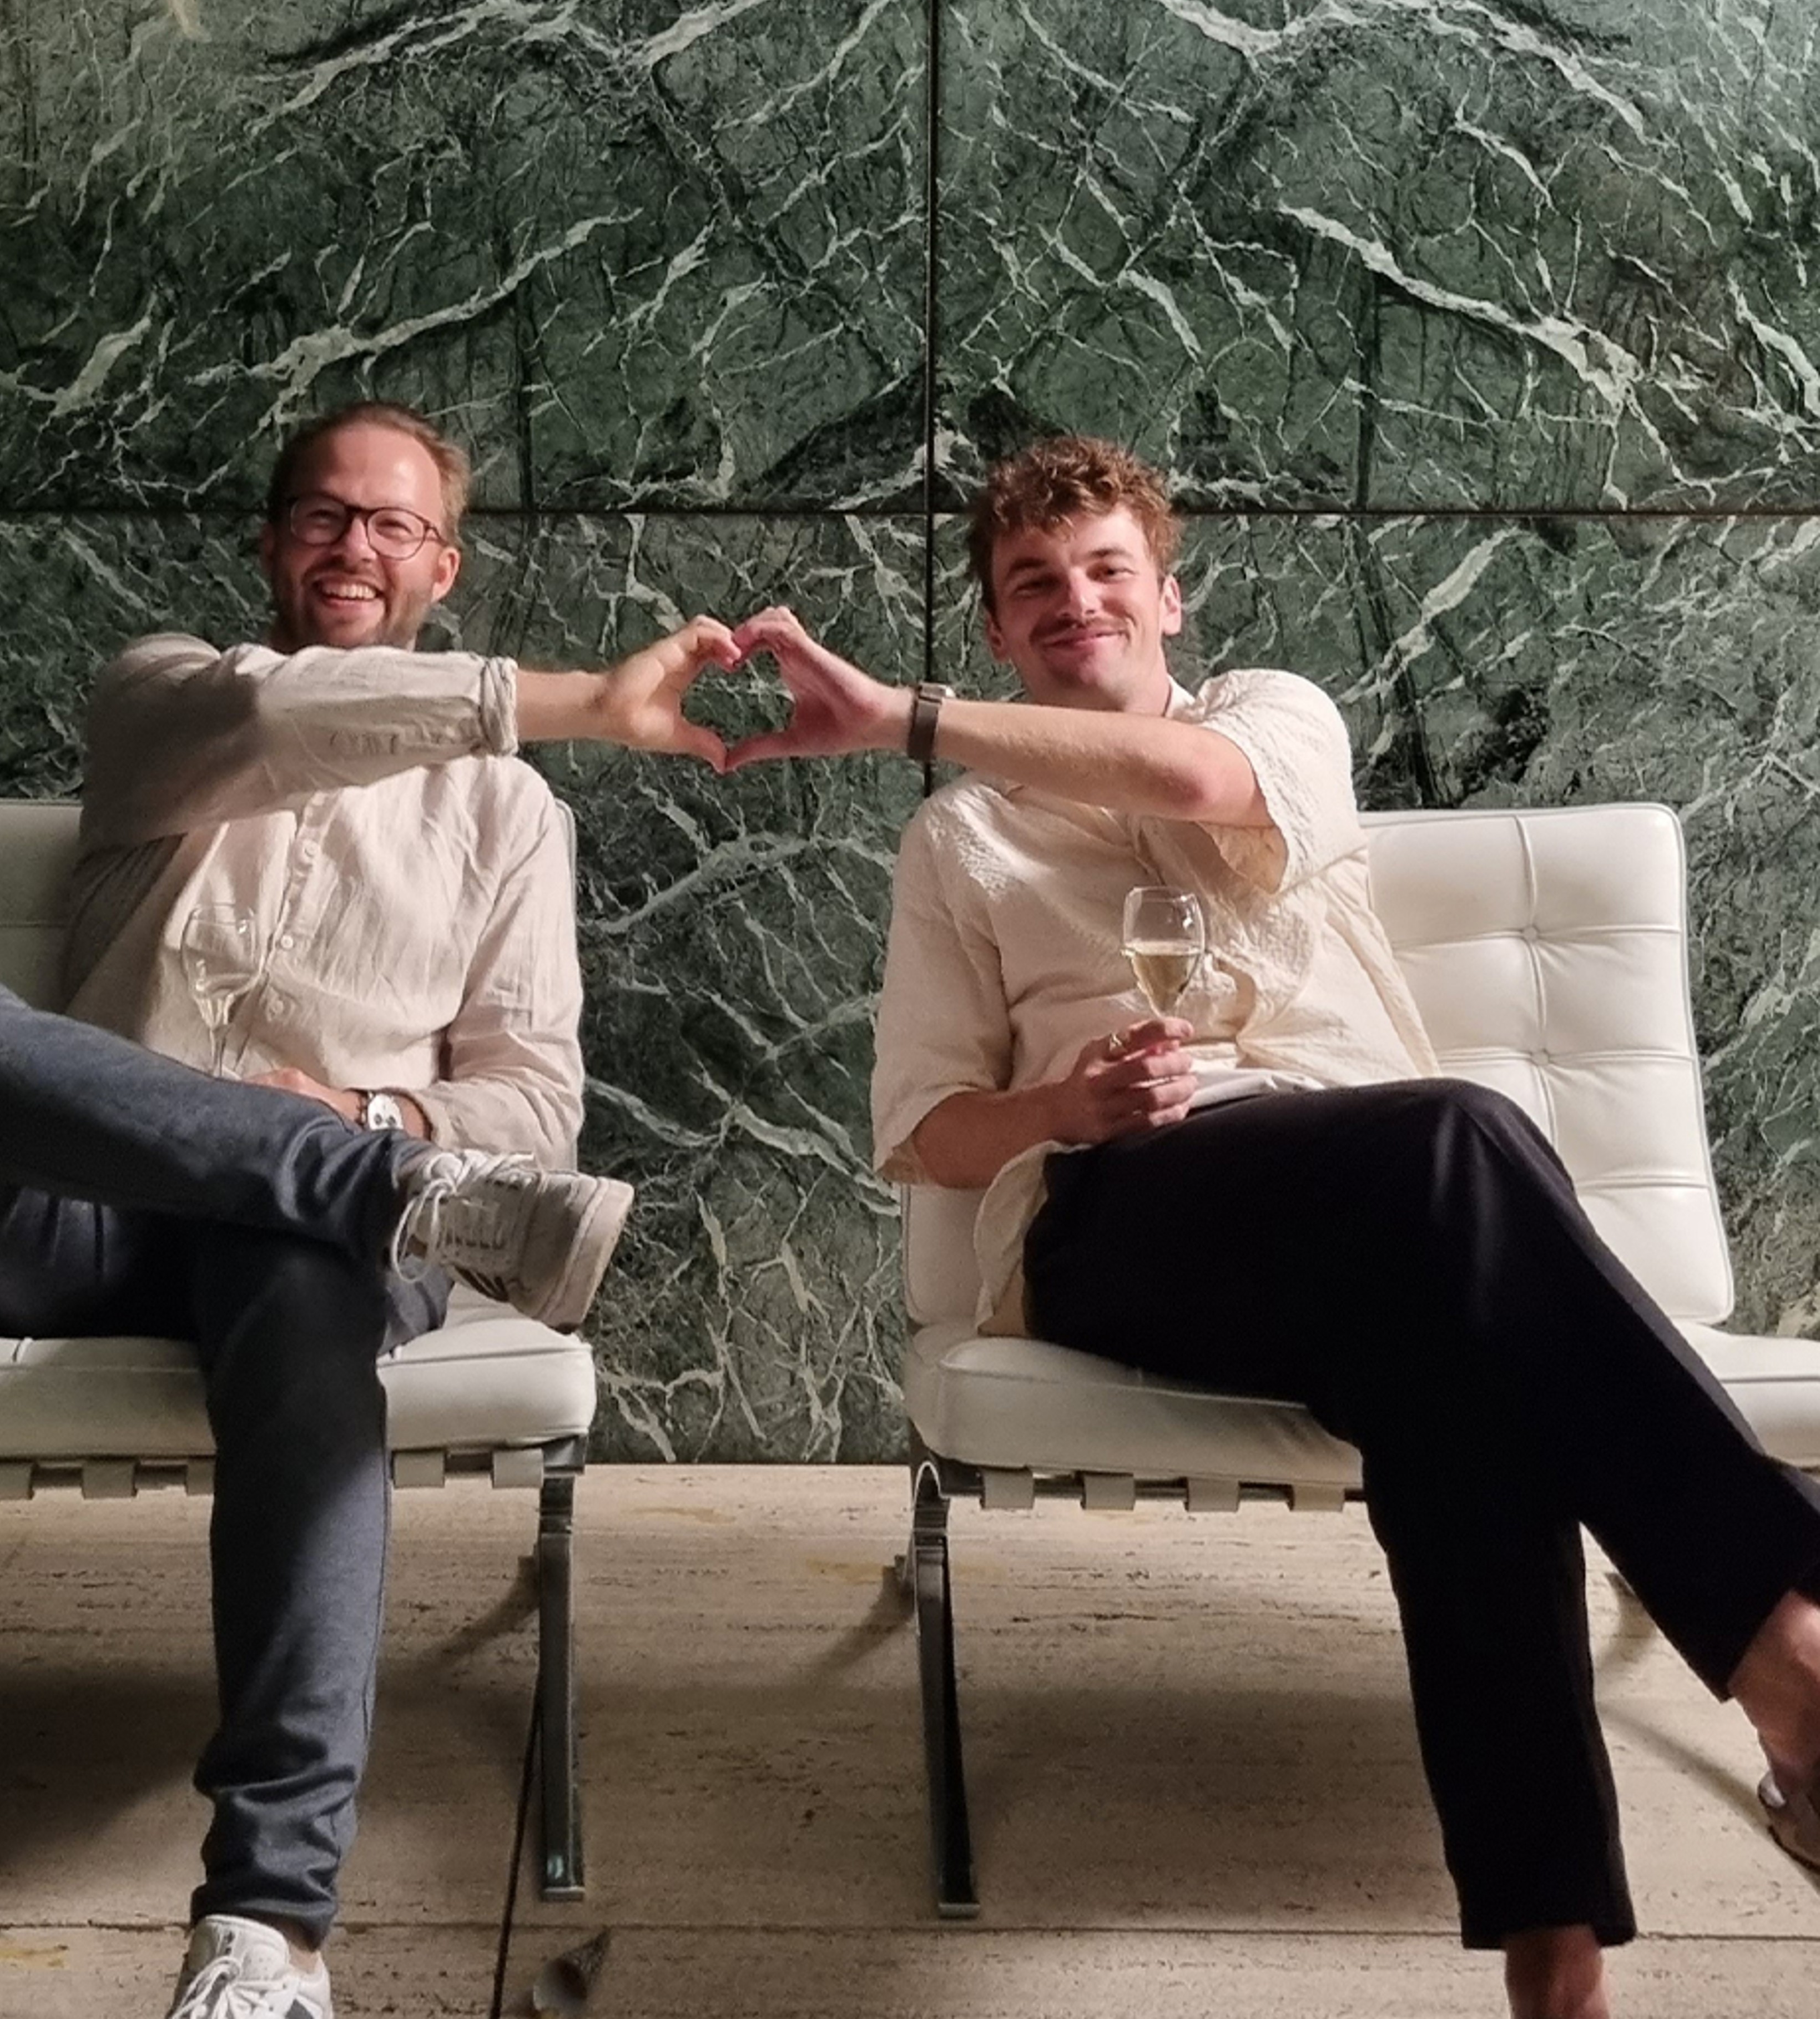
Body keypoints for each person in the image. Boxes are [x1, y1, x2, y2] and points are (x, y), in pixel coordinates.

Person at [723, 434, 1820, 2019]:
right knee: (1466, 1135)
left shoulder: (1274, 713)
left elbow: (1194, 785)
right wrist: (1065, 1109)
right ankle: (1788, 1658)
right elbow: (923, 1131)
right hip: (1118, 1217)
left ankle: (1555, 1963)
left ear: (1171, 599)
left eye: (1107, 569)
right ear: (999, 631)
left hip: (1376, 1194)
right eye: (1033, 584)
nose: (1074, 600)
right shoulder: (958, 840)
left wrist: (901, 714)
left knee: (1456, 1375)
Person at [0, 401, 739, 2019]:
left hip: (303, 1253)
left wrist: (380, 1116)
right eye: (323, 515)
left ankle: (266, 1936)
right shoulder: (165, 699)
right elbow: (277, 714)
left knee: (310, 1266)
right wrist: (586, 701)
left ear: (444, 568)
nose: (353, 548)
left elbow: (533, 1108)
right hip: (68, 1225)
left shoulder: (509, 818)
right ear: (270, 543)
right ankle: (383, 1195)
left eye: (394, 526)